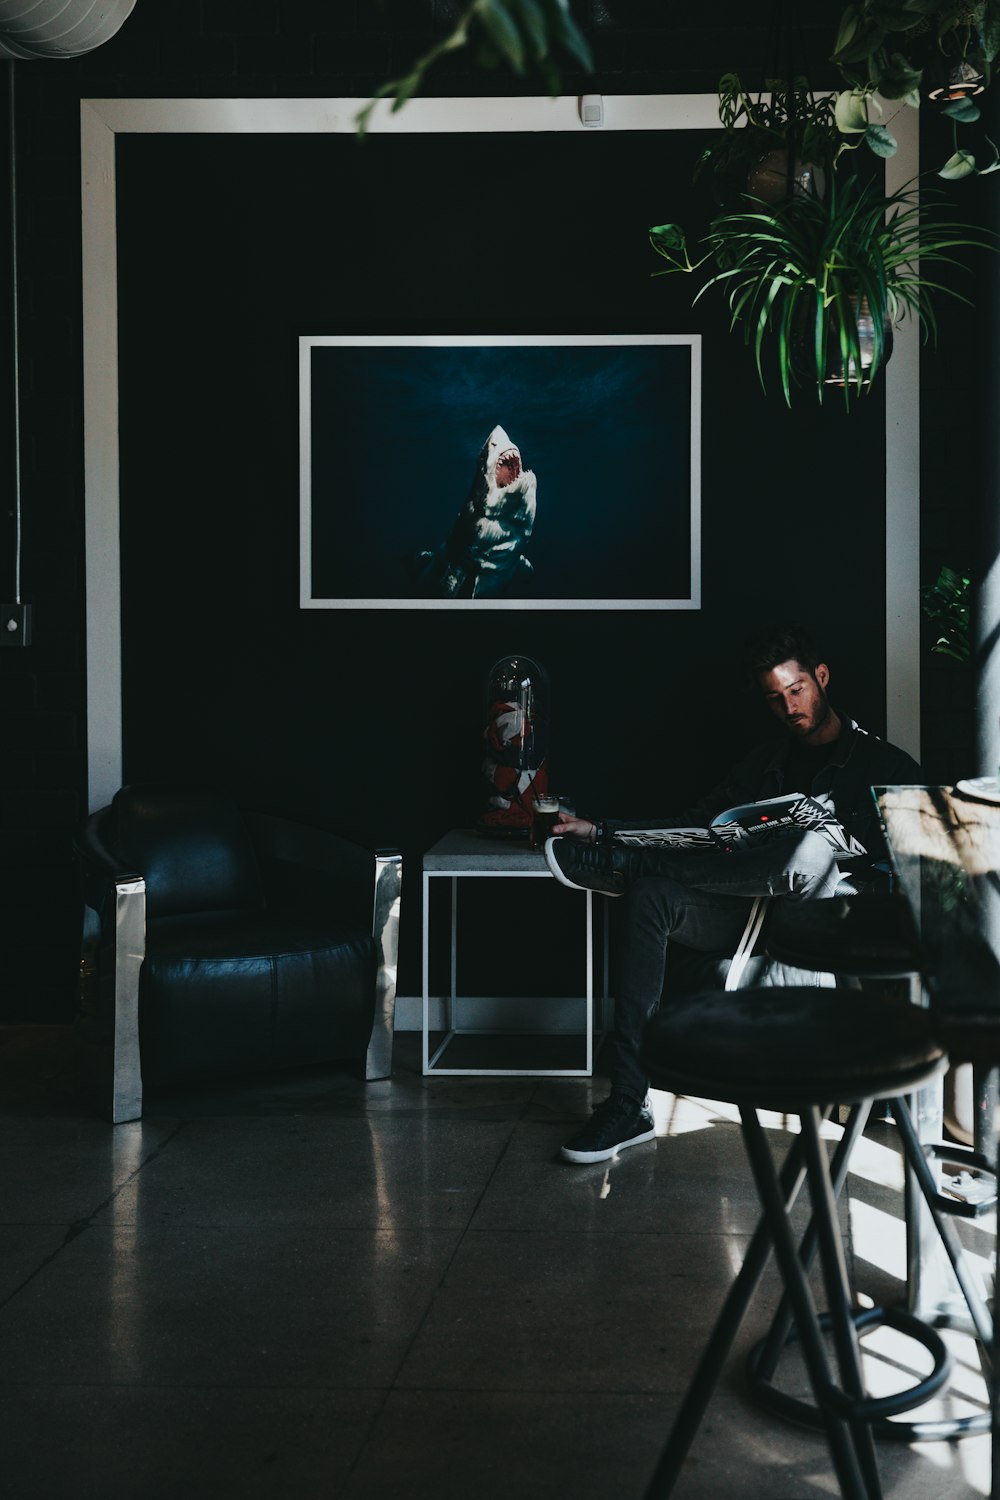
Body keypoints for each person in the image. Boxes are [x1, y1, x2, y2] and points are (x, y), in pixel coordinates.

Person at [544, 624, 922, 1165]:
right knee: (653, 895)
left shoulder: (887, 767)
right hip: (747, 912)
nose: (789, 706)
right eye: (775, 698)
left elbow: (915, 875)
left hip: (825, 925)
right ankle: (628, 1103)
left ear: (821, 677)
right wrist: (601, 831)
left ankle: (628, 868)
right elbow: (693, 826)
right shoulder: (762, 764)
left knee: (811, 851)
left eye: (797, 690)